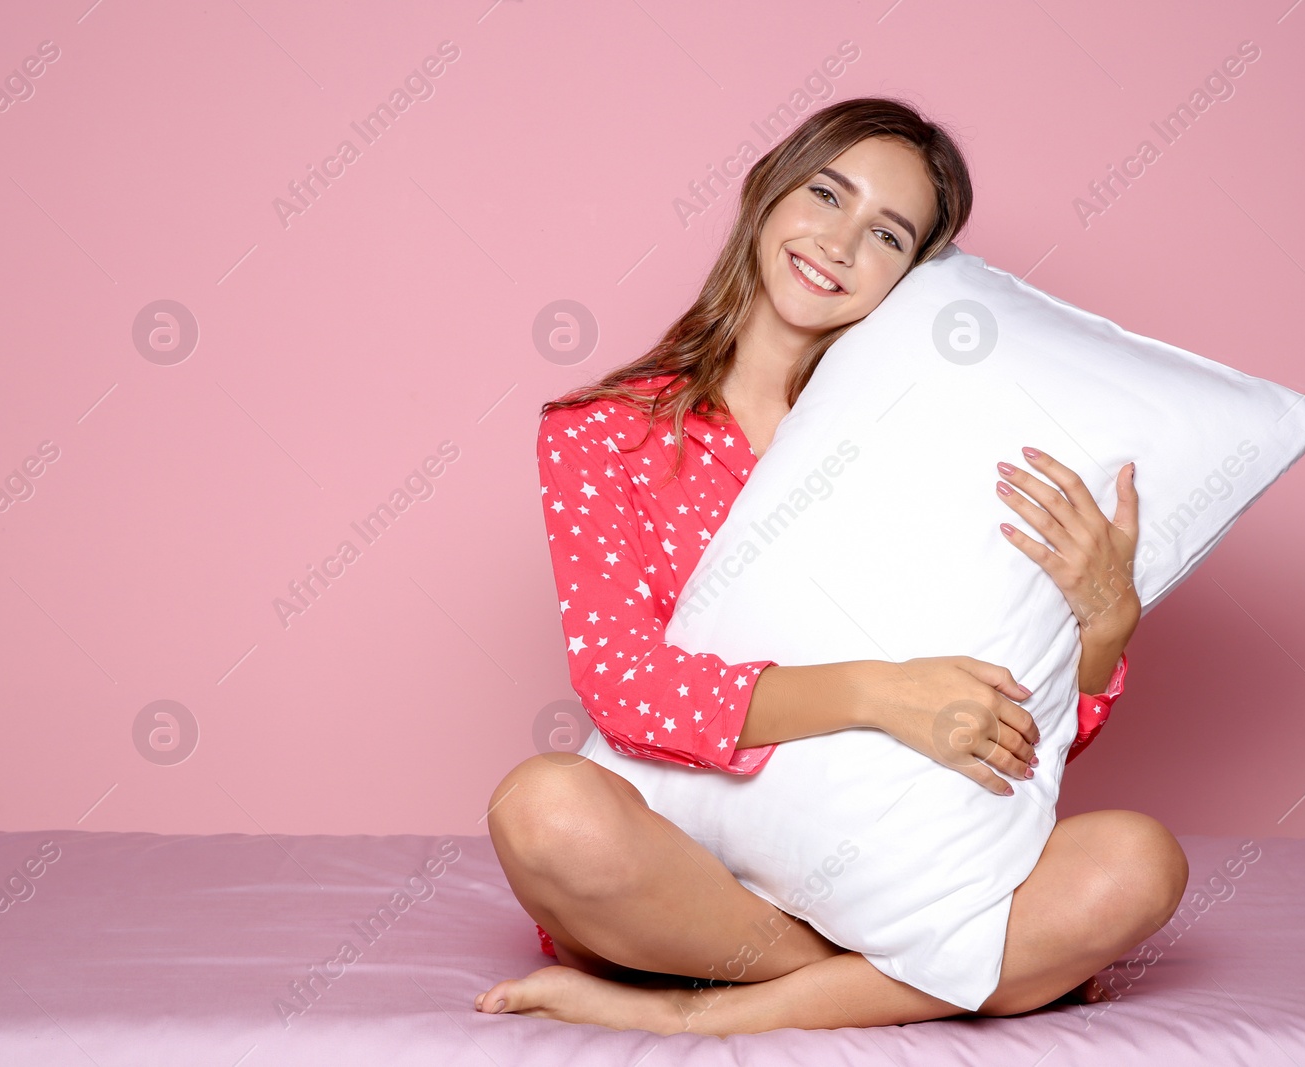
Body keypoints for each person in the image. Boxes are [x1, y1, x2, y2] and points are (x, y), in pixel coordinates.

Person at [476, 95, 1189, 1034]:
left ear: (915, 279)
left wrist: (1106, 624)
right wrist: (877, 693)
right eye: (825, 192)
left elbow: (1021, 734)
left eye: (887, 235)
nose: (839, 243)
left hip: (893, 848)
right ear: (767, 190)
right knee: (543, 809)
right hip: (679, 871)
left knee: (1139, 863)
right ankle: (908, 973)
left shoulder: (939, 443)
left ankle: (700, 1016)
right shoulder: (603, 434)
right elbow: (628, 688)